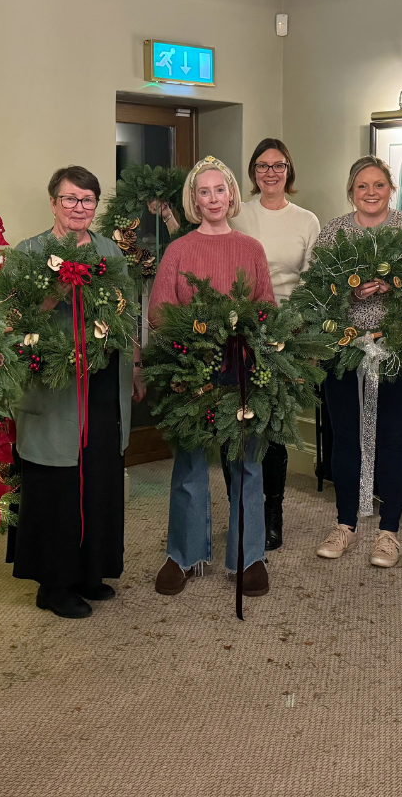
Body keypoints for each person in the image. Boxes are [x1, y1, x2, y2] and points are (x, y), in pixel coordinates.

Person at [9, 166, 144, 619]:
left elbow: (126, 314)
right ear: (53, 203)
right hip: (55, 384)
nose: (79, 207)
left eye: (87, 200)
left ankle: (92, 570)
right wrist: (53, 294)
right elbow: (12, 320)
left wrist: (136, 367)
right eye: (70, 199)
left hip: (104, 380)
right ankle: (54, 583)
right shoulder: (28, 253)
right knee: (58, 480)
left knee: (100, 475)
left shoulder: (111, 252)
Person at [149, 156, 275, 597]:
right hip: (193, 368)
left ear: (231, 195)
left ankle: (250, 556)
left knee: (247, 464)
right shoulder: (178, 251)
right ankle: (183, 554)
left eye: (220, 189)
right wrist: (196, 337)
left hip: (242, 368)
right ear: (194, 200)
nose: (213, 198)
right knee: (188, 463)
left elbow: (267, 309)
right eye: (204, 192)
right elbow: (159, 311)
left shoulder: (251, 248)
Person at [314, 156, 402, 570]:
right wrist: (349, 291)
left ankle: (389, 532)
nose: (371, 193)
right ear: (351, 190)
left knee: (393, 438)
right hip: (344, 351)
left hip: (399, 351)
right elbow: (317, 293)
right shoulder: (333, 233)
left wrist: (392, 286)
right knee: (345, 436)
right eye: (362, 186)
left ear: (391, 188)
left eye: (378, 185)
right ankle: (345, 524)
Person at [229, 138, 320, 549]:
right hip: (237, 333)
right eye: (262, 166)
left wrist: (294, 329)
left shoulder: (306, 221)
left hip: (284, 335)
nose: (270, 172)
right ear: (252, 174)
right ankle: (239, 510)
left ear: (289, 171)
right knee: (236, 425)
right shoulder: (236, 215)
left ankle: (272, 514)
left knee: (274, 428)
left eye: (278, 165)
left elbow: (311, 282)